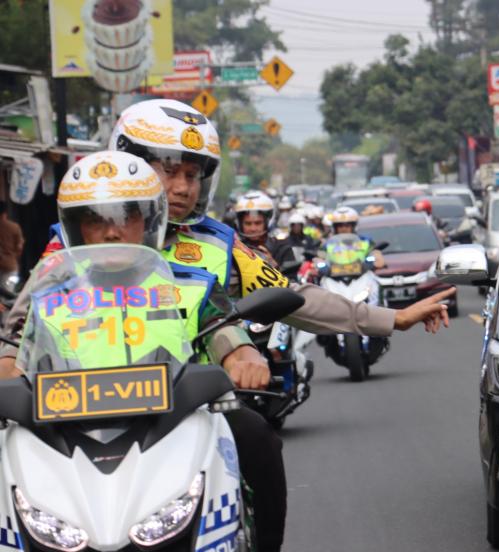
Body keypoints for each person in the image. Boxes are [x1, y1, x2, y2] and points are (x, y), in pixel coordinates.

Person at [0, 99, 454, 549]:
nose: (180, 187)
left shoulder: (217, 247)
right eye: (167, 170)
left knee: (258, 438)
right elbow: (22, 330)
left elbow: (277, 304)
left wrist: (389, 318)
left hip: (183, 409)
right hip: (69, 412)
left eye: (192, 175)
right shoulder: (67, 251)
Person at [4, 151, 288, 550]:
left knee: (256, 435)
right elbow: (15, 346)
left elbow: (224, 333)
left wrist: (245, 358)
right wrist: (6, 369)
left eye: (126, 216)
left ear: (150, 221)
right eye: (95, 219)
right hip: (63, 429)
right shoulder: (48, 291)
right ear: (74, 227)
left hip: (175, 421)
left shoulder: (191, 283)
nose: (111, 232)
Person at [233, 190, 295, 269]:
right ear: (240, 224)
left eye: (258, 223)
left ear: (267, 222)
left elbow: (291, 278)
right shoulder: (234, 247)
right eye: (248, 223)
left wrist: (272, 263)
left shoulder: (282, 247)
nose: (253, 228)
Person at [0, 202, 24, 278]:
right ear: (5, 213)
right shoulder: (14, 227)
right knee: (10, 289)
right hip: (10, 265)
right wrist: (14, 257)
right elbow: (19, 247)